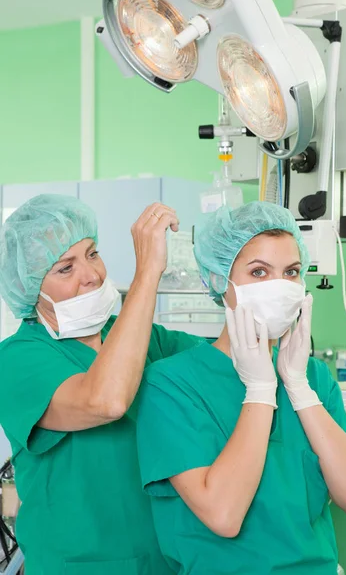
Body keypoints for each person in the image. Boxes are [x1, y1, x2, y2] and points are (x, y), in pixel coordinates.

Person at [137, 201, 346, 575]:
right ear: (220, 280)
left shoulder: (312, 377)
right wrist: (261, 390)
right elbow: (224, 514)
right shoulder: (172, 384)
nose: (279, 287)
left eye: (292, 272)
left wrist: (297, 387)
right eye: (259, 272)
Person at [0, 194, 202, 575]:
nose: (91, 274)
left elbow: (224, 362)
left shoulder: (144, 338)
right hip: (76, 566)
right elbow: (105, 400)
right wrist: (147, 274)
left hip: (164, 561)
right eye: (65, 268)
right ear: (30, 287)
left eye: (93, 254)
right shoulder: (17, 358)